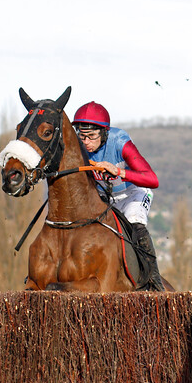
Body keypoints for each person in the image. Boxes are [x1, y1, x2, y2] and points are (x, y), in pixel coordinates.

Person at [72, 101, 166, 290]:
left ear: (104, 133)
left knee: (136, 224)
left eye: (91, 136)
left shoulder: (121, 143)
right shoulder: (78, 146)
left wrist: (119, 171)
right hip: (104, 196)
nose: (86, 142)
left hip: (133, 193)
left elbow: (153, 180)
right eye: (82, 136)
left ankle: (155, 284)